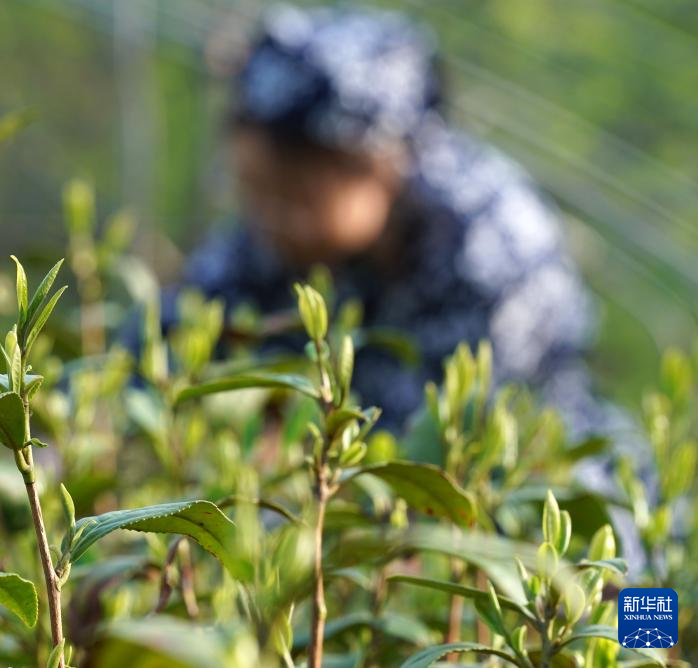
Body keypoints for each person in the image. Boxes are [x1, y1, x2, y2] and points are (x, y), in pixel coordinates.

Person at [169, 5, 611, 438]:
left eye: (298, 200)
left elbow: (451, 440)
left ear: (376, 166)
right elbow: (173, 338)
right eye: (254, 192)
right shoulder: (271, 235)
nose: (271, 220)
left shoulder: (490, 246)